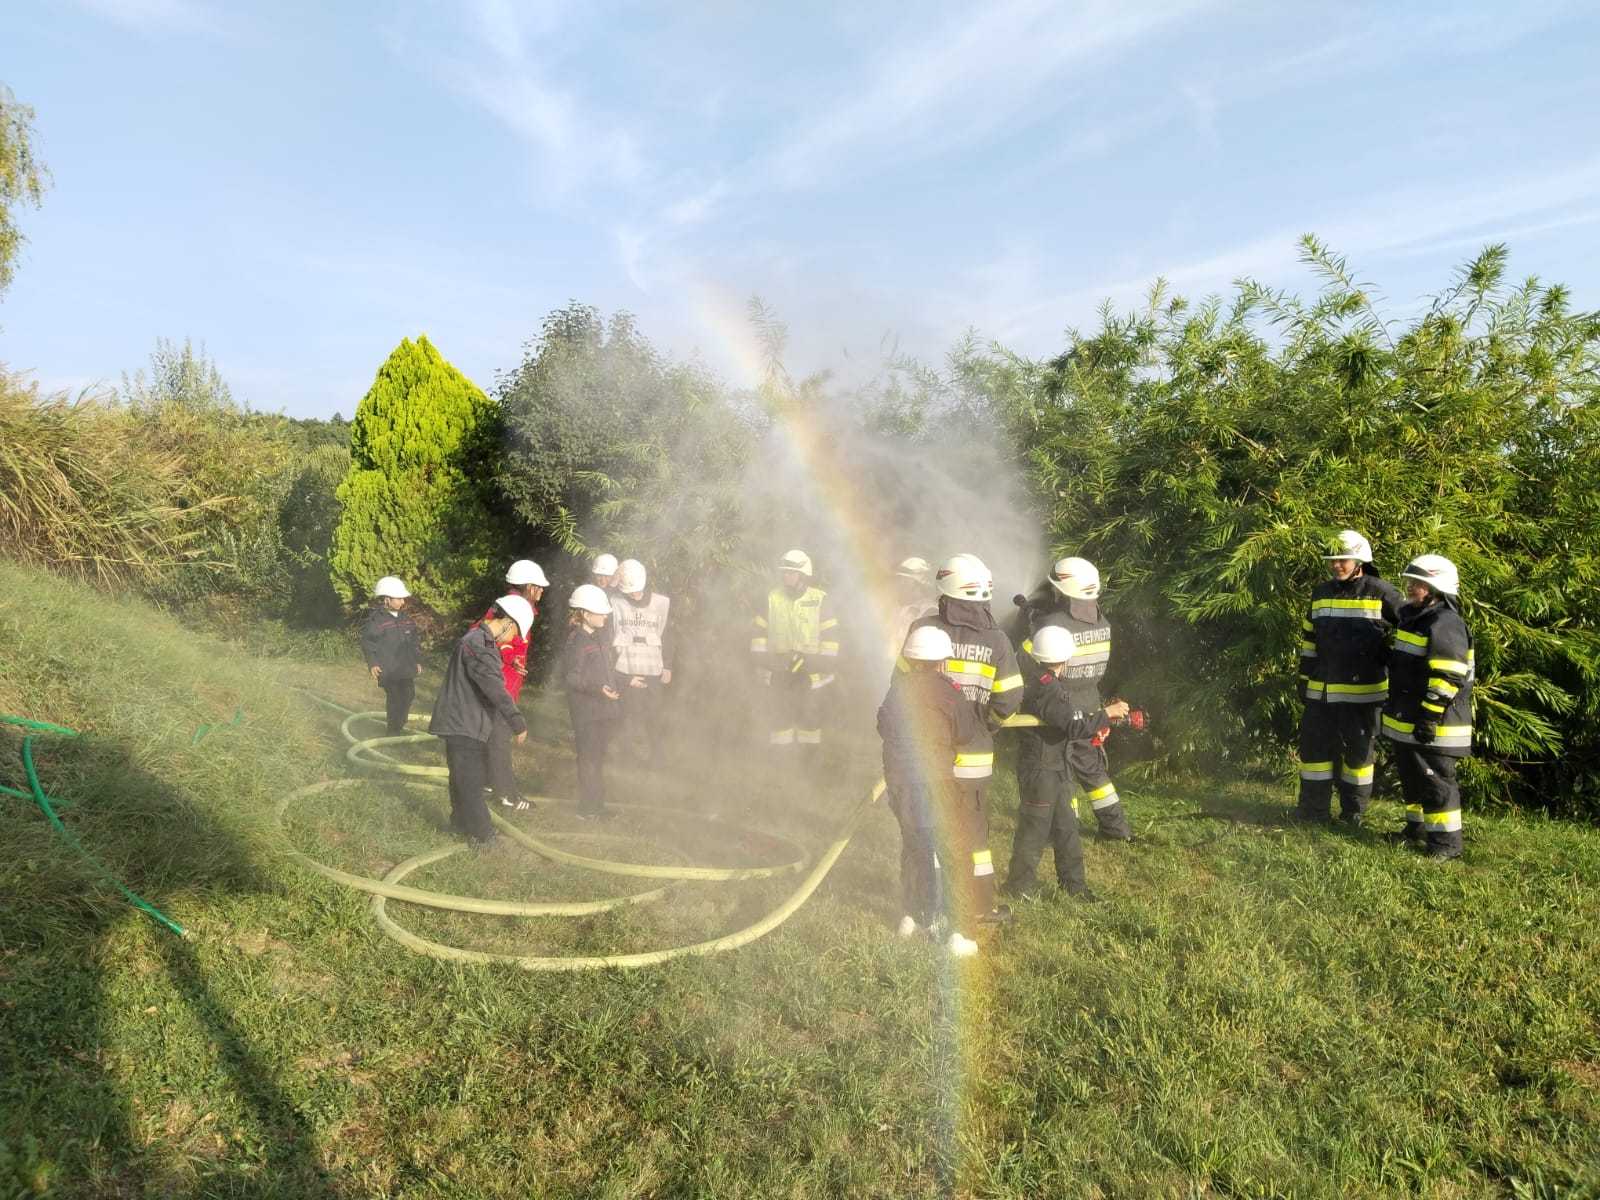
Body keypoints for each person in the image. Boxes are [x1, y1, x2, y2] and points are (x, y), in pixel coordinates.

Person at [902, 553, 1023, 927]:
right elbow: (1010, 698)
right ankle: (978, 907)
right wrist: (988, 725)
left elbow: (900, 687)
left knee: (923, 830)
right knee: (972, 837)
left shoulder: (922, 629)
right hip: (973, 760)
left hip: (927, 756)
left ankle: (922, 908)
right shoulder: (997, 640)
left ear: (946, 594)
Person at [1003, 625, 1132, 903]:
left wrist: (1096, 720)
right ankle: (1019, 886)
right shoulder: (1047, 688)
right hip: (1041, 769)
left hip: (1056, 765)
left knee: (1066, 828)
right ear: (1065, 658)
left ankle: (1074, 887)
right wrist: (1107, 714)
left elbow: (1068, 718)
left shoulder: (1040, 680)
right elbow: (1074, 726)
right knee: (1034, 830)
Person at [878, 624, 984, 956]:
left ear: (911, 658)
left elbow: (883, 725)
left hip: (901, 785)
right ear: (942, 661)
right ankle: (961, 933)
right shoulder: (949, 692)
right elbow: (965, 733)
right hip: (937, 784)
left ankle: (915, 916)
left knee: (915, 847)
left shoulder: (897, 690)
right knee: (954, 854)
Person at [1016, 556, 1133, 842]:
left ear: (1063, 592)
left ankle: (1064, 827)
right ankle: (1116, 828)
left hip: (1060, 709)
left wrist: (1032, 626)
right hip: (1091, 703)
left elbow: (1025, 662)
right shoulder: (1103, 623)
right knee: (1093, 771)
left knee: (1061, 772)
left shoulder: (1052, 625)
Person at [1296, 530, 1404, 827]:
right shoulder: (1321, 592)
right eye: (1332, 560)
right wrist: (1304, 679)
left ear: (1360, 561)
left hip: (1363, 694)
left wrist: (1391, 658)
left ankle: (1352, 813)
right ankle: (1313, 811)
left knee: (1358, 756)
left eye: (1342, 560)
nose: (1336, 565)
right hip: (1321, 691)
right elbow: (1309, 639)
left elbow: (1413, 629)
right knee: (1315, 753)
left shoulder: (1382, 592)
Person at [1381, 555, 1473, 861]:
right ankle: (1416, 830)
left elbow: (1448, 676)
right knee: (1413, 779)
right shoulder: (1415, 617)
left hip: (1437, 721)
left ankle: (1446, 845)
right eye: (1410, 581)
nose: (1410, 587)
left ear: (1436, 589)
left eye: (1418, 583)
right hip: (1410, 717)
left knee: (1436, 783)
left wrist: (1430, 715)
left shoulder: (1445, 622)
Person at [427, 596, 534, 845]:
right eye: (515, 632)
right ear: (507, 623)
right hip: (465, 721)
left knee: (460, 777)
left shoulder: (477, 639)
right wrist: (516, 720)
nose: (513, 639)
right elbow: (494, 687)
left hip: (461, 719)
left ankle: (460, 824)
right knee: (470, 781)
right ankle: (484, 835)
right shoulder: (481, 645)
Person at [749, 549, 840, 761]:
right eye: (784, 572)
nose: (785, 576)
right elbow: (758, 635)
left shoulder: (820, 600)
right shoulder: (771, 598)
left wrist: (813, 662)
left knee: (809, 718)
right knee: (780, 717)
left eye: (791, 572)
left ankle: (809, 761)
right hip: (779, 671)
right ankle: (781, 762)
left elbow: (832, 641)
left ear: (803, 575)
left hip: (811, 673)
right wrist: (768, 662)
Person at [482, 560, 549, 812]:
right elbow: (486, 635)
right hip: (501, 684)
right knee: (500, 738)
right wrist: (510, 657)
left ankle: (488, 783)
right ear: (528, 586)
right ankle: (506, 794)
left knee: (493, 735)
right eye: (539, 587)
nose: (542, 591)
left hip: (506, 681)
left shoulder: (518, 607)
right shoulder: (509, 608)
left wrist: (514, 657)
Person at [564, 583, 623, 820]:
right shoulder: (577, 640)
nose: (606, 616)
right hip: (586, 713)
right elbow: (572, 678)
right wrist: (598, 689)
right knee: (588, 760)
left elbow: (604, 671)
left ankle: (597, 806)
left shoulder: (596, 637)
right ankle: (588, 809)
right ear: (586, 614)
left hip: (601, 710)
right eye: (601, 612)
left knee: (597, 759)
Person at [610, 558, 673, 765]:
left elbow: (668, 635)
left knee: (655, 715)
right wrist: (613, 581)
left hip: (653, 669)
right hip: (625, 668)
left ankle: (657, 757)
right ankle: (625, 756)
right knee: (626, 714)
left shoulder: (661, 603)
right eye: (629, 591)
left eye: (636, 590)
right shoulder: (615, 602)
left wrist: (668, 665)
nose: (633, 595)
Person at [361, 576, 421, 736]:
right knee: (395, 698)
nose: (403, 602)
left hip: (405, 668)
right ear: (387, 599)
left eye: (403, 598)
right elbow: (368, 643)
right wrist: (373, 663)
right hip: (388, 670)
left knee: (409, 695)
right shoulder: (376, 621)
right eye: (399, 598)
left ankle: (398, 725)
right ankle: (393, 731)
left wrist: (416, 661)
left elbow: (414, 642)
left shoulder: (406, 619)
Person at [886, 556, 938, 664]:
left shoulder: (930, 612)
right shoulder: (896, 608)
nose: (898, 585)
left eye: (903, 580)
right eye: (898, 580)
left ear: (916, 584)